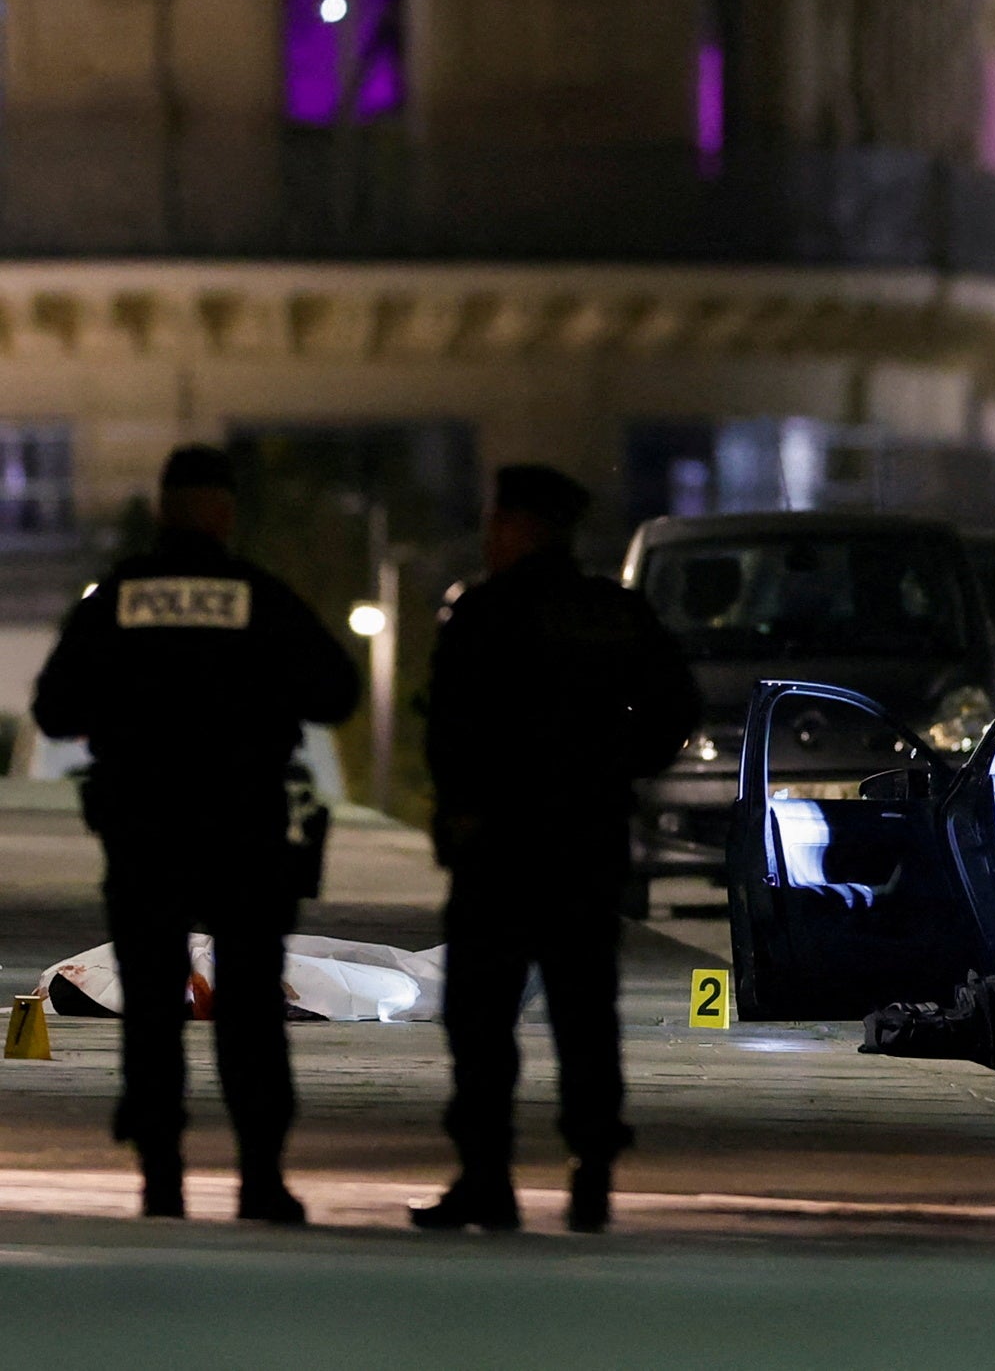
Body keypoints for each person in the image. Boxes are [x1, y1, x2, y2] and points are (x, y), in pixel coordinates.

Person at [32, 445, 360, 1222]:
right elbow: (335, 691)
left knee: (150, 1010)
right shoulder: (258, 598)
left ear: (162, 506)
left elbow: (55, 710)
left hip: (145, 833)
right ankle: (260, 1180)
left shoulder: (118, 600)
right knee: (248, 1009)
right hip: (243, 835)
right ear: (223, 510)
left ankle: (161, 1177)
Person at [411, 464, 699, 1234]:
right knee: (584, 1013)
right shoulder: (612, 612)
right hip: (584, 839)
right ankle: (591, 1171)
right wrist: (620, 765)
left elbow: (446, 730)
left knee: (480, 1017)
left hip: (498, 847)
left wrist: (460, 812)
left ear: (515, 526)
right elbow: (677, 705)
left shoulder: (481, 613)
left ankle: (486, 1178)